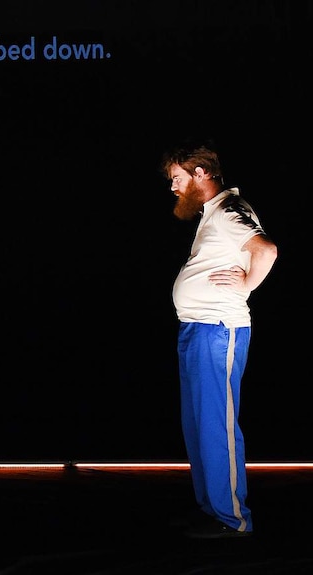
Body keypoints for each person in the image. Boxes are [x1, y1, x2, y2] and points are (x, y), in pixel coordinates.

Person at [161, 141, 278, 539]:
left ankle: (233, 520)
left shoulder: (229, 211)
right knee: (197, 425)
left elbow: (267, 250)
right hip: (196, 329)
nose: (173, 187)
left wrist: (245, 286)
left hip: (217, 331)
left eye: (177, 178)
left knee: (216, 425)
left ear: (200, 173)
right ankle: (210, 509)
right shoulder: (213, 213)